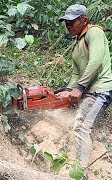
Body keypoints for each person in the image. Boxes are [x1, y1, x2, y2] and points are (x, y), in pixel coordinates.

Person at [56, 4, 112, 179]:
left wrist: (79, 88)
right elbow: (76, 73)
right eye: (67, 22)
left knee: (81, 126)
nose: (69, 25)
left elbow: (95, 62)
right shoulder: (77, 44)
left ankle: (81, 174)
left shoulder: (94, 33)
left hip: (100, 90)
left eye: (73, 21)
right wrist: (67, 90)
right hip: (89, 90)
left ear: (84, 20)